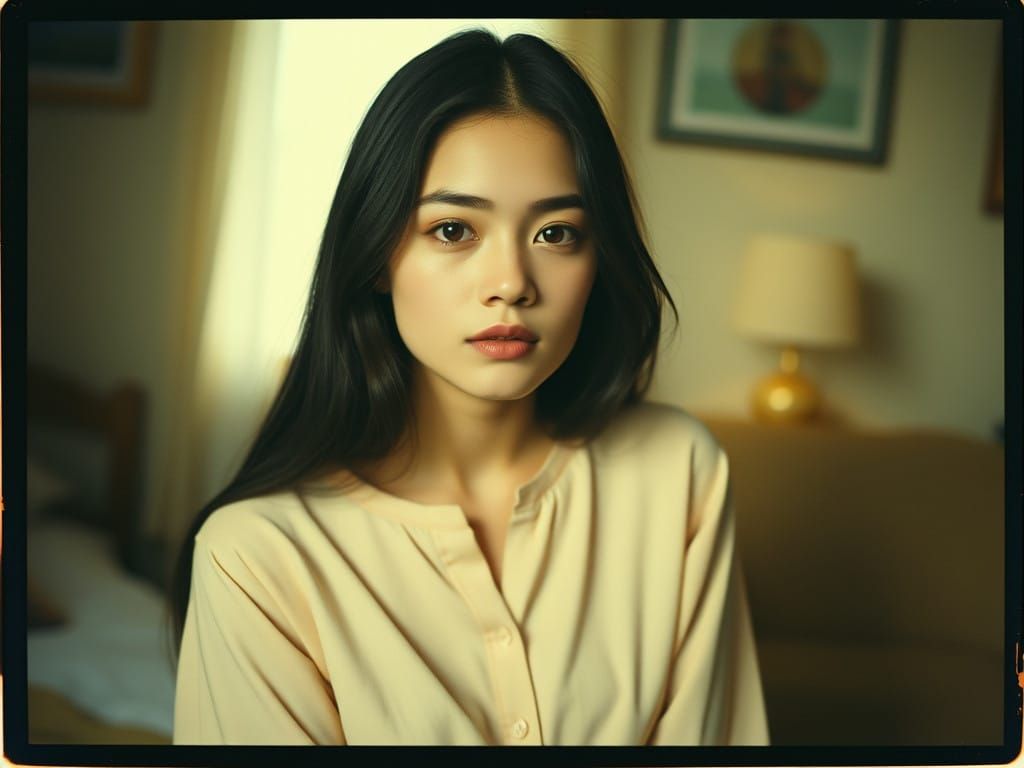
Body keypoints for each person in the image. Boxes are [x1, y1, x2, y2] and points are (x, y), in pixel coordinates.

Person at [170, 27, 769, 746]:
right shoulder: (255, 558)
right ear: (377, 254)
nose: (512, 283)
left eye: (557, 233)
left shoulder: (677, 471)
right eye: (454, 230)